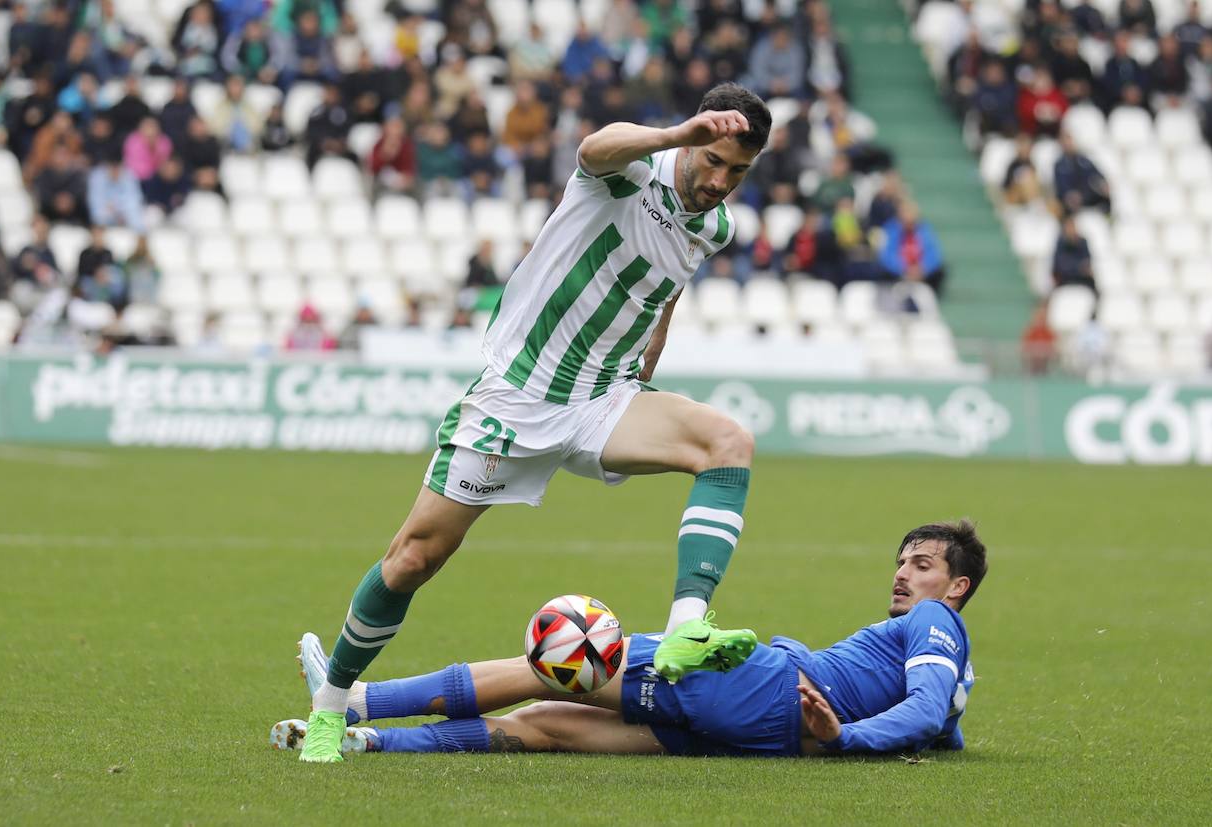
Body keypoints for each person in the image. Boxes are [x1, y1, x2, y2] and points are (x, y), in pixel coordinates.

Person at [295, 84, 773, 763]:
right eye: (714, 161)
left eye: (738, 172)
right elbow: (592, 147)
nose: (720, 181)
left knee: (728, 442)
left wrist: (646, 362)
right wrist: (678, 134)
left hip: (601, 400)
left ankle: (684, 628)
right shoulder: (630, 171)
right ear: (695, 141)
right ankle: (331, 703)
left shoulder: (715, 224)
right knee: (413, 558)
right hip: (516, 400)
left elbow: (665, 289)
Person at [273, 520, 986, 759]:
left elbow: (920, 712)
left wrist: (844, 737)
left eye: (921, 566)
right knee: (552, 727)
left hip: (758, 686)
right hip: (760, 737)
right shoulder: (953, 661)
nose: (902, 575)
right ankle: (371, 745)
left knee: (558, 657)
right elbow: (938, 723)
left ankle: (358, 700)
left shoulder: (933, 622)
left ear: (956, 587)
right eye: (900, 561)